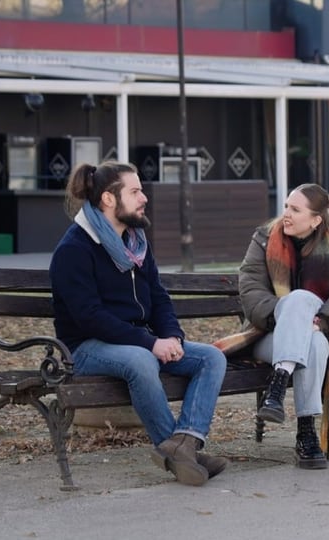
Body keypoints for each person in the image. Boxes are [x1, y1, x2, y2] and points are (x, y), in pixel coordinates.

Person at [49, 160, 229, 487]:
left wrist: (171, 335)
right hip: (86, 348)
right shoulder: (74, 248)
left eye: (141, 191)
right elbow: (89, 317)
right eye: (135, 192)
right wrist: (150, 343)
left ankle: (183, 443)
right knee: (142, 359)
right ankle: (174, 453)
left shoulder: (136, 244)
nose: (143, 198)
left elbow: (159, 298)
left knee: (211, 357)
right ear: (108, 198)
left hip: (136, 341)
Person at [230, 183, 329, 469]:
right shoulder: (265, 240)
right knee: (300, 300)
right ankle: (305, 432)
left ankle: (287, 404)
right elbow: (251, 287)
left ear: (316, 220)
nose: (286, 214)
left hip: (319, 334)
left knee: (315, 343)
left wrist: (325, 321)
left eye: (295, 209)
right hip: (266, 334)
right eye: (286, 207)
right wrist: (288, 317)